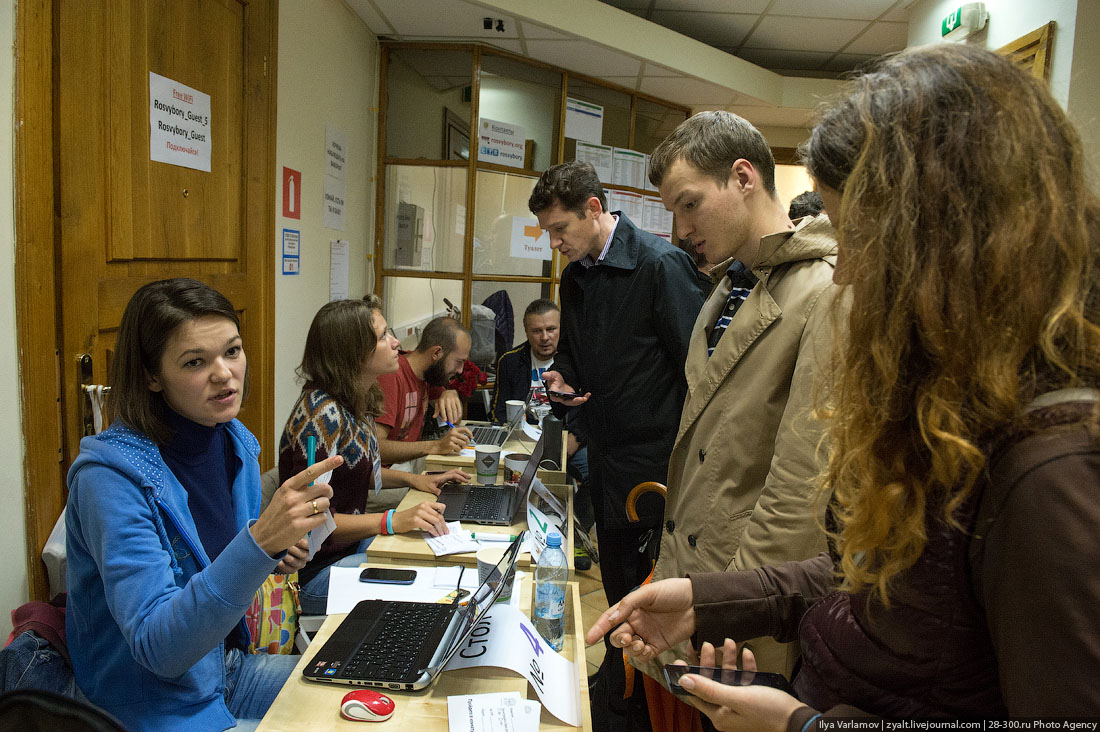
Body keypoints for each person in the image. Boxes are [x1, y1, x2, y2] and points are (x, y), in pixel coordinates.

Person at [588, 44, 1100, 728]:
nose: (849, 271)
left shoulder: (1053, 467)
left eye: (859, 235)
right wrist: (715, 598)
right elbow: (879, 576)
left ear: (952, 239)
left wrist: (800, 726)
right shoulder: (958, 401)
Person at [65, 278, 344, 732]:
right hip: (152, 711)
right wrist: (258, 543)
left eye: (232, 351)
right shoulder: (109, 478)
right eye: (196, 361)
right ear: (151, 376)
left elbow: (214, 564)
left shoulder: (235, 445)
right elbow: (160, 648)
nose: (224, 373)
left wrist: (273, 556)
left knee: (373, 701)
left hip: (226, 671)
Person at [641, 110, 840, 681]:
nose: (680, 229)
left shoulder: (824, 290)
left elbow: (798, 491)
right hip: (699, 577)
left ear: (744, 177)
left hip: (748, 604)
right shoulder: (728, 288)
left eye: (689, 203)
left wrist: (725, 607)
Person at [530, 160, 707, 731]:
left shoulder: (661, 265)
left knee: (649, 596)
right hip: (605, 456)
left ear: (595, 210)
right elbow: (578, 356)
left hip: (657, 464)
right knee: (616, 585)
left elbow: (697, 371)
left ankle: (647, 702)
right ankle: (623, 688)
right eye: (548, 233)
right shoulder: (576, 274)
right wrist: (563, 377)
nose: (554, 244)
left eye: (560, 229)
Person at [279, 298, 469, 615]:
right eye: (382, 337)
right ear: (354, 353)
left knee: (436, 560)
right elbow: (314, 524)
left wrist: (416, 480)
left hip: (349, 550)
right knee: (427, 590)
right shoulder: (319, 417)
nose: (396, 343)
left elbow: (354, 473)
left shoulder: (355, 400)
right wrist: (392, 520)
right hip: (313, 576)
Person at [490, 297, 595, 565]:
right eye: (537, 331)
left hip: (570, 437)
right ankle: (522, 536)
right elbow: (498, 413)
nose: (545, 337)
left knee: (598, 473)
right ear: (527, 332)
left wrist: (574, 440)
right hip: (523, 440)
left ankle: (574, 536)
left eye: (551, 329)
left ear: (562, 328)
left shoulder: (579, 361)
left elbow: (589, 410)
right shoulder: (510, 361)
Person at [376, 316, 473, 468]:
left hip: (406, 464)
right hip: (386, 474)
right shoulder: (392, 375)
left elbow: (454, 418)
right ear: (436, 353)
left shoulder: (428, 373)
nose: (460, 370)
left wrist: (449, 393)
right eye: (458, 362)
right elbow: (377, 448)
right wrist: (435, 446)